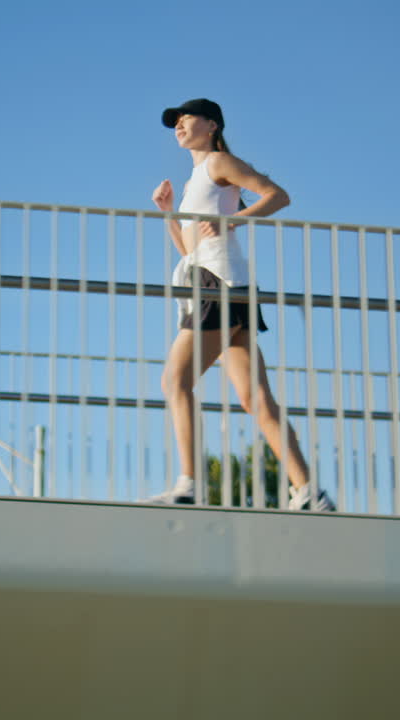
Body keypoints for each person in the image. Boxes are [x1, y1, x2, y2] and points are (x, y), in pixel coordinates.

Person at [144, 98, 334, 511]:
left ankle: (189, 485)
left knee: (174, 381)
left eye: (186, 118)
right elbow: (189, 249)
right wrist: (168, 213)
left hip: (219, 285)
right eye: (174, 122)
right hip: (224, 282)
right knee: (255, 400)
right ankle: (308, 492)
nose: (179, 125)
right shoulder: (198, 177)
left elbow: (278, 196)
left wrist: (234, 221)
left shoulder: (218, 162)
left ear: (212, 125)